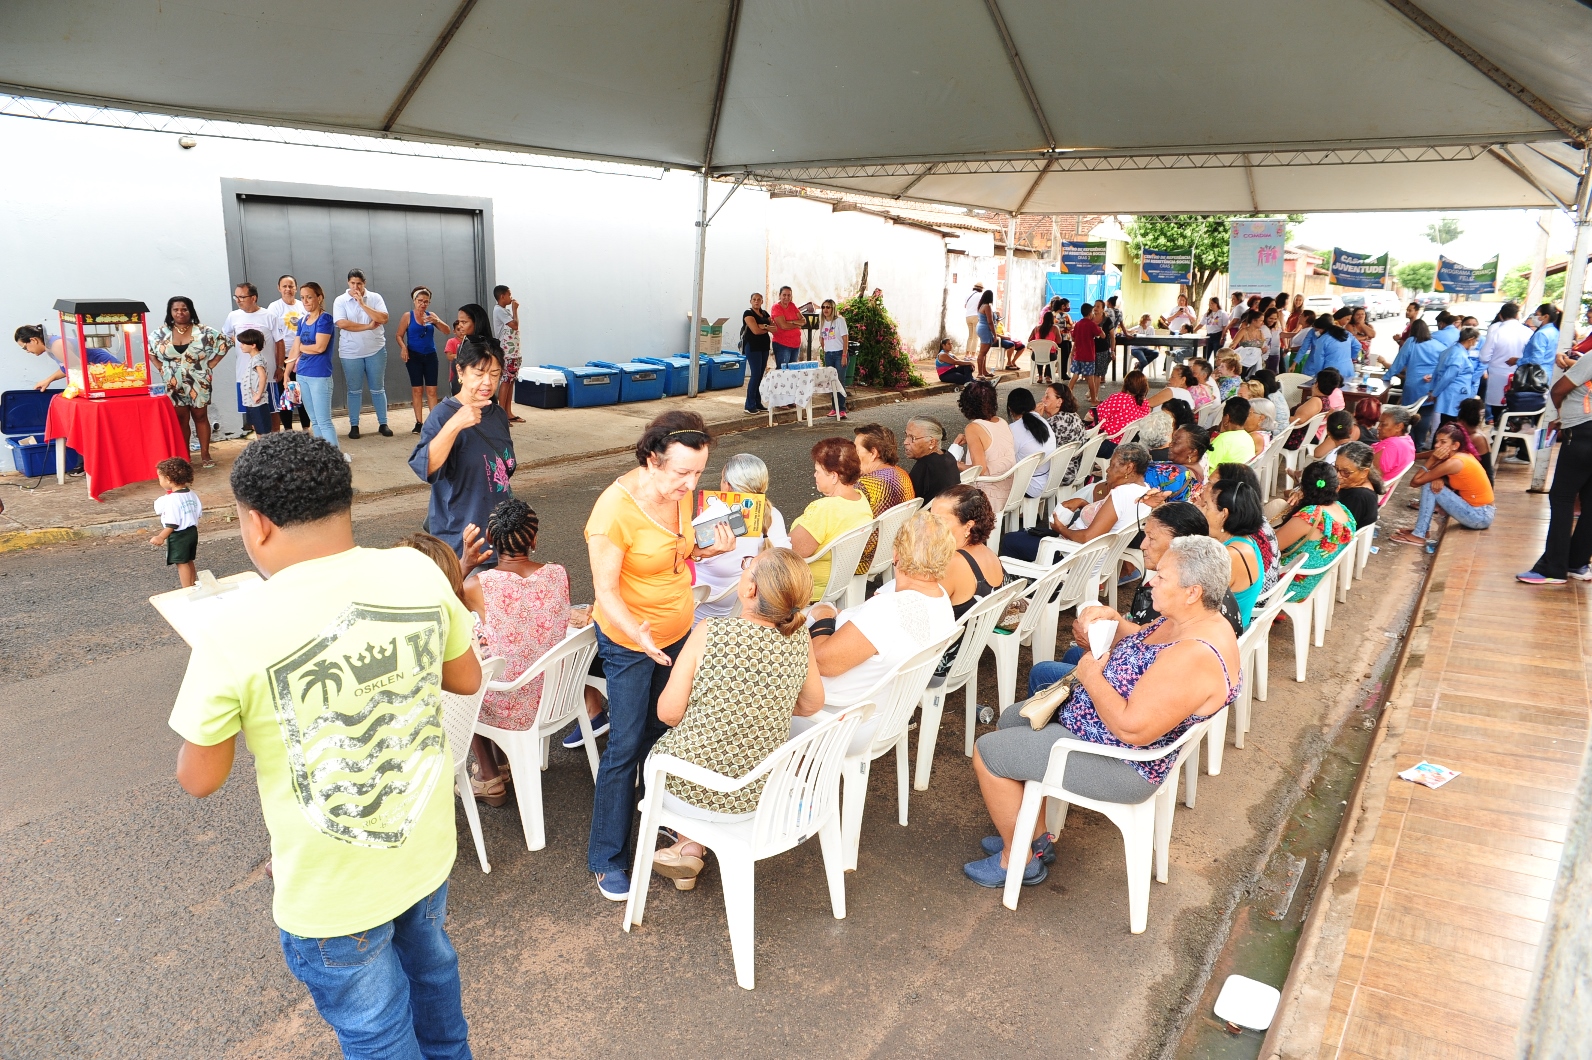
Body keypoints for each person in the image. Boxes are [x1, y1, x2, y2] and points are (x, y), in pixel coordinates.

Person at [168, 431, 482, 1057]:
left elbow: (198, 778)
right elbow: (466, 678)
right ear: (346, 503)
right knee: (434, 981)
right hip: (422, 849)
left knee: (376, 1033)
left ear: (255, 524)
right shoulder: (415, 569)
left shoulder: (233, 631)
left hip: (333, 890)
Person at [968, 536, 1241, 886]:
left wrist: (1090, 676)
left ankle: (1017, 861)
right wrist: (1113, 620)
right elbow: (1144, 639)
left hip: (1123, 763)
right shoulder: (1192, 619)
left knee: (989, 753)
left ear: (1193, 592)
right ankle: (1033, 840)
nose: (1150, 579)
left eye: (1161, 576)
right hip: (1103, 732)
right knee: (1010, 720)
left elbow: (1132, 729)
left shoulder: (1194, 655)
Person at [583, 412, 734, 900]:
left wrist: (706, 554)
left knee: (663, 731)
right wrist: (638, 635)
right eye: (681, 473)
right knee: (625, 745)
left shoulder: (681, 496)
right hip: (631, 643)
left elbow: (677, 555)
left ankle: (657, 823)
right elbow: (605, 593)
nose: (690, 484)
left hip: (676, 632)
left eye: (698, 472)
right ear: (652, 460)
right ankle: (607, 857)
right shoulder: (613, 512)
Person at [646, 548, 826, 890]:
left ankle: (688, 839)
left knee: (667, 751)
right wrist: (762, 706)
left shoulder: (711, 632)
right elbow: (813, 702)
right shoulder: (798, 637)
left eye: (748, 568)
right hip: (755, 793)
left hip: (689, 789)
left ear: (750, 590)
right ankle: (689, 845)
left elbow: (668, 714)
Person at [1026, 502, 1244, 694]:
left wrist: (1095, 651)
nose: (1142, 545)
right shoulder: (1207, 586)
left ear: (1180, 545)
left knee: (1043, 672)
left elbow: (1146, 671)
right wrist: (1113, 619)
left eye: (1151, 538)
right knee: (1074, 655)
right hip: (1154, 681)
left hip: (1142, 688)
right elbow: (1149, 635)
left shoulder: (1175, 599)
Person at [459, 498, 570, 805]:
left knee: (464, 676)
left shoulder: (477, 585)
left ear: (491, 539)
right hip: (555, 696)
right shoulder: (558, 574)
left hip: (513, 704)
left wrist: (466, 561)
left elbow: (440, 600)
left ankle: (488, 775)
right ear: (533, 540)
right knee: (503, 654)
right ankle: (503, 763)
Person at [808, 510, 958, 706]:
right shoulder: (941, 598)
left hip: (835, 716)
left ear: (896, 554)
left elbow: (823, 662)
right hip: (887, 712)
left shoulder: (887, 610)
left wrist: (823, 617)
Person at [408, 336, 517, 557]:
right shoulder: (442, 416)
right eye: (478, 374)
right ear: (460, 372)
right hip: (462, 545)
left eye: (494, 374)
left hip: (500, 542)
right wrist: (455, 424)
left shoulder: (497, 415)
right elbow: (424, 468)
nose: (487, 382)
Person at [1518, 348, 1592, 584]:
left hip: (1581, 433)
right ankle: (1577, 563)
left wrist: (1563, 415)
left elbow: (1558, 390)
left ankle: (1553, 568)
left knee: (1561, 498)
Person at [1003, 444, 1151, 563]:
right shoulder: (1144, 490)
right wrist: (1082, 503)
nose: (1108, 470)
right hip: (1088, 554)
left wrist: (1060, 529)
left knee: (1009, 540)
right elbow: (1107, 517)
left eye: (1112, 466)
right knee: (1025, 533)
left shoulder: (1121, 494)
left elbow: (1088, 537)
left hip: (1073, 558)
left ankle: (1032, 588)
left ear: (1129, 468)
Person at [693, 453, 791, 621]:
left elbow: (682, 555)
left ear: (728, 486)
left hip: (702, 611)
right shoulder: (773, 515)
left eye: (722, 479)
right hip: (744, 608)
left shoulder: (712, 518)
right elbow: (785, 557)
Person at [790, 437, 875, 602]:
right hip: (837, 585)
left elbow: (789, 554)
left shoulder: (824, 510)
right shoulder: (860, 500)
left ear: (834, 477)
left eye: (818, 471)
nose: (815, 475)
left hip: (806, 588)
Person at [150, 295, 228, 466]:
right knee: (180, 418)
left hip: (199, 380)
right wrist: (160, 367)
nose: (180, 312)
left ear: (190, 311)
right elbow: (150, 351)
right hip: (172, 382)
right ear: (170, 312)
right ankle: (184, 455)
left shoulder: (204, 331)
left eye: (184, 309)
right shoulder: (160, 333)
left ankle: (205, 454)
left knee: (200, 415)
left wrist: (211, 364)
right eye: (176, 309)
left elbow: (225, 343)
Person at [1392, 424, 1495, 550]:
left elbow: (1415, 482)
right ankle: (1422, 530)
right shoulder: (1462, 454)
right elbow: (1434, 453)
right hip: (1483, 512)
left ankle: (1419, 534)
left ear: (1455, 445)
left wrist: (1431, 461)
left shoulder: (1454, 462)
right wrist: (1415, 456)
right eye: (1437, 441)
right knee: (1433, 482)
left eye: (1443, 442)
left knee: (1429, 485)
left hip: (1479, 516)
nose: (1437, 445)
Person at [1275, 461, 1356, 600]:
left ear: (1303, 488)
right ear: (1337, 488)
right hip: (1313, 581)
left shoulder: (1311, 515)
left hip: (1288, 585)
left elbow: (1272, 547)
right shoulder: (1344, 511)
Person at [222, 281, 287, 444]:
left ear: (254, 298)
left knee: (271, 409)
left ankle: (275, 443)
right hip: (244, 374)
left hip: (267, 374)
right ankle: (261, 444)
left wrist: (280, 366)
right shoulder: (233, 316)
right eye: (236, 296)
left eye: (242, 296)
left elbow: (280, 342)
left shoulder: (269, 316)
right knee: (252, 410)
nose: (238, 300)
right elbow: (226, 336)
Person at [1196, 473, 1264, 627]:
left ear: (1224, 514)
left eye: (1206, 505)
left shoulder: (1230, 555)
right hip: (1228, 627)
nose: (1202, 510)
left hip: (1223, 635)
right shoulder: (1246, 541)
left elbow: (1196, 602)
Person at [332, 269, 392, 439]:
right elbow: (342, 323)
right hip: (350, 352)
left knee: (378, 388)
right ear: (348, 283)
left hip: (376, 349)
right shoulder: (340, 300)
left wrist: (362, 304)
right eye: (352, 283)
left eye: (359, 283)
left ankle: (383, 423)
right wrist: (366, 326)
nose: (356, 287)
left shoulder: (375, 298)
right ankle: (354, 425)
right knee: (354, 390)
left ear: (364, 283)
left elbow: (383, 318)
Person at [931, 486, 1006, 618]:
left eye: (939, 521)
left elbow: (924, 611)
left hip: (956, 637)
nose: (931, 526)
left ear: (968, 526)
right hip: (978, 634)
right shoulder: (988, 553)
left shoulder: (954, 562)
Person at [284, 282, 339, 452]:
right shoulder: (303, 320)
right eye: (303, 298)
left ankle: (335, 456)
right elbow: (295, 347)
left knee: (323, 420)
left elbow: (320, 347)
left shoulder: (325, 319)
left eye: (309, 297)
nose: (306, 301)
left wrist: (300, 349)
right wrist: (286, 374)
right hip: (302, 374)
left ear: (319, 297)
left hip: (319, 375)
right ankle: (324, 454)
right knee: (314, 420)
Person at [953, 380, 1017, 512]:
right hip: (1011, 489)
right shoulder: (1001, 421)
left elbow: (979, 469)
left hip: (988, 495)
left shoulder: (973, 428)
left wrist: (955, 464)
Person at [397, 286, 451, 434]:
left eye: (426, 301)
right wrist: (403, 347)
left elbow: (447, 331)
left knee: (432, 390)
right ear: (414, 301)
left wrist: (437, 320)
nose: (423, 304)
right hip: (414, 356)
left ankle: (433, 422)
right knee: (417, 390)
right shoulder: (407, 316)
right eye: (420, 301)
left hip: (430, 355)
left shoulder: (431, 315)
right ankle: (419, 422)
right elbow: (399, 335)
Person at [1385, 319, 1445, 448]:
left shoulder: (1411, 342)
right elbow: (1444, 365)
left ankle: (1408, 443)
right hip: (1430, 385)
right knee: (1426, 414)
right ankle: (1420, 444)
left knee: (1409, 415)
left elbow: (1398, 363)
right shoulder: (1439, 345)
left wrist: (1386, 377)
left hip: (1413, 385)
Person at [266, 274, 313, 431]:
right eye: (284, 286)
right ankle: (288, 430)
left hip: (302, 357)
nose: (288, 289)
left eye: (291, 286)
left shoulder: (302, 306)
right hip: (284, 358)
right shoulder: (274, 308)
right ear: (279, 288)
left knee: (303, 394)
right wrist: (278, 363)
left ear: (296, 288)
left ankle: (306, 429)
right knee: (286, 395)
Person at [14, 322, 115, 390]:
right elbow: (67, 367)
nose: (27, 351)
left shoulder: (56, 346)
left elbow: (79, 369)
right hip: (100, 373)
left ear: (33, 340)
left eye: (24, 347)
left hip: (110, 370)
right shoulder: (50, 346)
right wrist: (48, 380)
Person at [150, 456, 201, 588]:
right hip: (192, 532)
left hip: (179, 535)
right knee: (189, 560)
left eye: (160, 477)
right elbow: (198, 513)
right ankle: (194, 584)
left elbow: (172, 523)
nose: (159, 480)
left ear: (168, 479)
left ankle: (186, 589)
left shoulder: (172, 500)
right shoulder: (192, 494)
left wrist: (161, 537)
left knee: (181, 563)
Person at [1481, 302, 1532, 416]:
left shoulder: (1496, 332)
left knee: (1498, 414)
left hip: (1497, 377)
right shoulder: (1528, 332)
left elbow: (1484, 357)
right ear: (1517, 315)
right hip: (1521, 377)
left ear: (1500, 316)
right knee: (1516, 412)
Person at [853, 422, 916, 513]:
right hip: (901, 526)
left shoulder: (864, 484)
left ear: (873, 453)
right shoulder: (902, 474)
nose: (853, 455)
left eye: (856, 450)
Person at [1006, 388, 1056, 497]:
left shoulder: (1012, 429)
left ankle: (1018, 513)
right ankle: (1025, 513)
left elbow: (1007, 460)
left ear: (1010, 409)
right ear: (1033, 405)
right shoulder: (1043, 422)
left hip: (1029, 485)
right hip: (1050, 480)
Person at [1430, 325, 1482, 428]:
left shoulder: (1453, 350)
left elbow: (1437, 372)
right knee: (1449, 425)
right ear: (1471, 339)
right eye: (1476, 341)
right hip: (1454, 395)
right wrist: (1435, 393)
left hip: (1454, 394)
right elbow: (1448, 376)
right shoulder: (1458, 354)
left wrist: (1434, 390)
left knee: (1448, 425)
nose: (1476, 344)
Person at [1146, 422, 1210, 502]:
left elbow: (1135, 474)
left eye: (1176, 442)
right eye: (1172, 440)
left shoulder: (1176, 474)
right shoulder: (1201, 464)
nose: (1170, 444)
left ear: (1192, 452)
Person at [1092, 370, 1152, 451]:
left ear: (1126, 384)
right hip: (1131, 445)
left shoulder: (1118, 398)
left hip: (1110, 444)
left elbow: (1094, 415)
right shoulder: (1144, 404)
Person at [904, 416, 961, 502]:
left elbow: (907, 500)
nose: (905, 442)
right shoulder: (948, 456)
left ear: (932, 442)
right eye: (906, 435)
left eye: (912, 438)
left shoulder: (925, 466)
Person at [490, 284, 523, 423]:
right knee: (505, 381)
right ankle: (502, 414)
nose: (511, 297)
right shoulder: (499, 311)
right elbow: (514, 325)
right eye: (509, 295)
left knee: (510, 381)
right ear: (502, 296)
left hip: (513, 352)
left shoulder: (504, 310)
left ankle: (508, 412)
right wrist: (515, 310)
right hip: (506, 352)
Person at [234, 329, 275, 441]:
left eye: (243, 343)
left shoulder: (258, 359)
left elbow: (262, 376)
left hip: (257, 402)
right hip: (251, 402)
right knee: (256, 427)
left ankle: (265, 453)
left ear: (253, 345)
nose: (241, 346)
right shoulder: (253, 359)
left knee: (262, 431)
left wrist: (258, 394)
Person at [975, 289, 1024, 378]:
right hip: (986, 329)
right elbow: (990, 322)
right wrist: (994, 334)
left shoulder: (981, 306)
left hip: (981, 328)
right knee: (982, 352)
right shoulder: (987, 306)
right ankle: (980, 373)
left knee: (984, 352)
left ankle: (984, 371)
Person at [446, 302, 492, 395]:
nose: (459, 326)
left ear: (477, 322)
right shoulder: (465, 343)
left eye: (464, 322)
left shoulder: (485, 347)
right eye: (459, 322)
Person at [1334, 442, 1382, 528]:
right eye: (1336, 468)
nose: (1338, 475)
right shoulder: (1358, 488)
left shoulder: (1358, 497)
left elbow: (1339, 530)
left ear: (1364, 472)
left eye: (1346, 472)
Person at [1299, 314, 1362, 380]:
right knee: (1345, 389)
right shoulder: (1345, 333)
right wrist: (1350, 357)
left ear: (1322, 329)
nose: (1316, 332)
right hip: (1348, 369)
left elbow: (1319, 361)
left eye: (1317, 330)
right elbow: (1358, 346)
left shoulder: (1322, 340)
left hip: (1331, 372)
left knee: (1332, 390)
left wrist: (1318, 376)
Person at [741, 292, 772, 414]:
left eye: (759, 299)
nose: (756, 301)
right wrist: (766, 327)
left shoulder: (765, 313)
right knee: (755, 375)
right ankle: (749, 405)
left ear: (762, 301)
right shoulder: (748, 313)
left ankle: (757, 402)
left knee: (760, 375)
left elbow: (773, 327)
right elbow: (755, 331)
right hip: (753, 347)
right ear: (750, 301)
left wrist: (763, 326)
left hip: (764, 347)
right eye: (754, 299)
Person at [1069, 302, 1107, 403]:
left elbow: (1073, 338)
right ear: (1090, 314)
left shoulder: (1078, 324)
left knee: (1075, 376)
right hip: (1089, 356)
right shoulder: (1092, 324)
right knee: (1090, 378)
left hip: (1078, 355)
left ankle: (1067, 396)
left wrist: (1073, 351)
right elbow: (1103, 335)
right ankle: (1094, 399)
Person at [818, 299, 850, 418]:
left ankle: (841, 409)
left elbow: (845, 338)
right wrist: (824, 348)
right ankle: (834, 407)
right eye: (823, 307)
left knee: (839, 381)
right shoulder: (822, 322)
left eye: (828, 307)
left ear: (833, 309)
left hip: (839, 353)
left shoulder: (839, 321)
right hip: (829, 354)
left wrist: (844, 355)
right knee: (831, 382)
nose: (825, 309)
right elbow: (821, 338)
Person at [1371, 404, 1417, 483]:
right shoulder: (1408, 440)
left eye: (1383, 424)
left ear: (1399, 427)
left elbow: (1374, 477)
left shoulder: (1391, 446)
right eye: (1379, 423)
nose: (1378, 427)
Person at [1208, 396, 1259, 467]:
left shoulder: (1223, 440)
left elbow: (1205, 466)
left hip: (1216, 477)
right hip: (1236, 477)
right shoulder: (1249, 438)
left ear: (1226, 418)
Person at [1456, 398, 1494, 482]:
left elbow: (1447, 452)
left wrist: (1420, 456)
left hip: (1480, 481)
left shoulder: (1477, 437)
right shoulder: (1468, 432)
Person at [769, 286, 803, 368]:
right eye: (784, 295)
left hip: (795, 345)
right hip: (782, 344)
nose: (786, 297)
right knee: (783, 371)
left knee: (792, 371)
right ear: (779, 295)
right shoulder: (776, 307)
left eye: (789, 295)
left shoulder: (792, 305)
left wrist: (791, 322)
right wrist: (796, 324)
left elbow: (803, 320)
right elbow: (783, 326)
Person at [1030, 310, 1067, 380]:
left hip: (1036, 356)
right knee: (1051, 352)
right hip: (1051, 356)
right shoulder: (1055, 328)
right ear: (1052, 319)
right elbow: (1059, 341)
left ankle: (1040, 376)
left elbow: (1029, 340)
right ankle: (1048, 376)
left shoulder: (1036, 328)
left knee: (1039, 352)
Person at [964, 283, 987, 356]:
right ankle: (973, 354)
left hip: (968, 316)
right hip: (976, 316)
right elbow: (982, 306)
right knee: (976, 337)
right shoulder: (980, 295)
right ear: (981, 289)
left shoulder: (968, 295)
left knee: (970, 336)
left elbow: (965, 306)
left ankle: (967, 354)